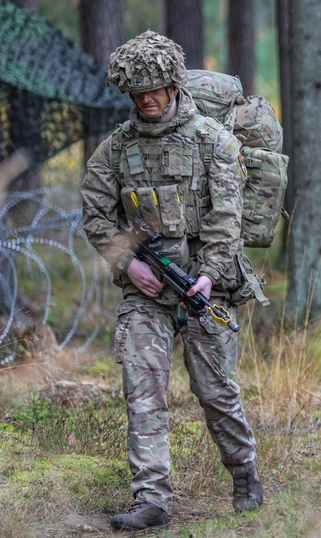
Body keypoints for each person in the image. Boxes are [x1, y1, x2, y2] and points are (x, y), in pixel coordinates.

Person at [81, 31, 263, 530]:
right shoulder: (116, 150)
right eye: (138, 93)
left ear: (173, 84)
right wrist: (126, 265)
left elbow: (228, 219)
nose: (147, 100)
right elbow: (96, 217)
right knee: (142, 387)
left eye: (155, 89)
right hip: (146, 293)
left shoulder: (214, 142)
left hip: (207, 288)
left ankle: (244, 472)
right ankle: (151, 498)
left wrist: (207, 275)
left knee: (215, 390)